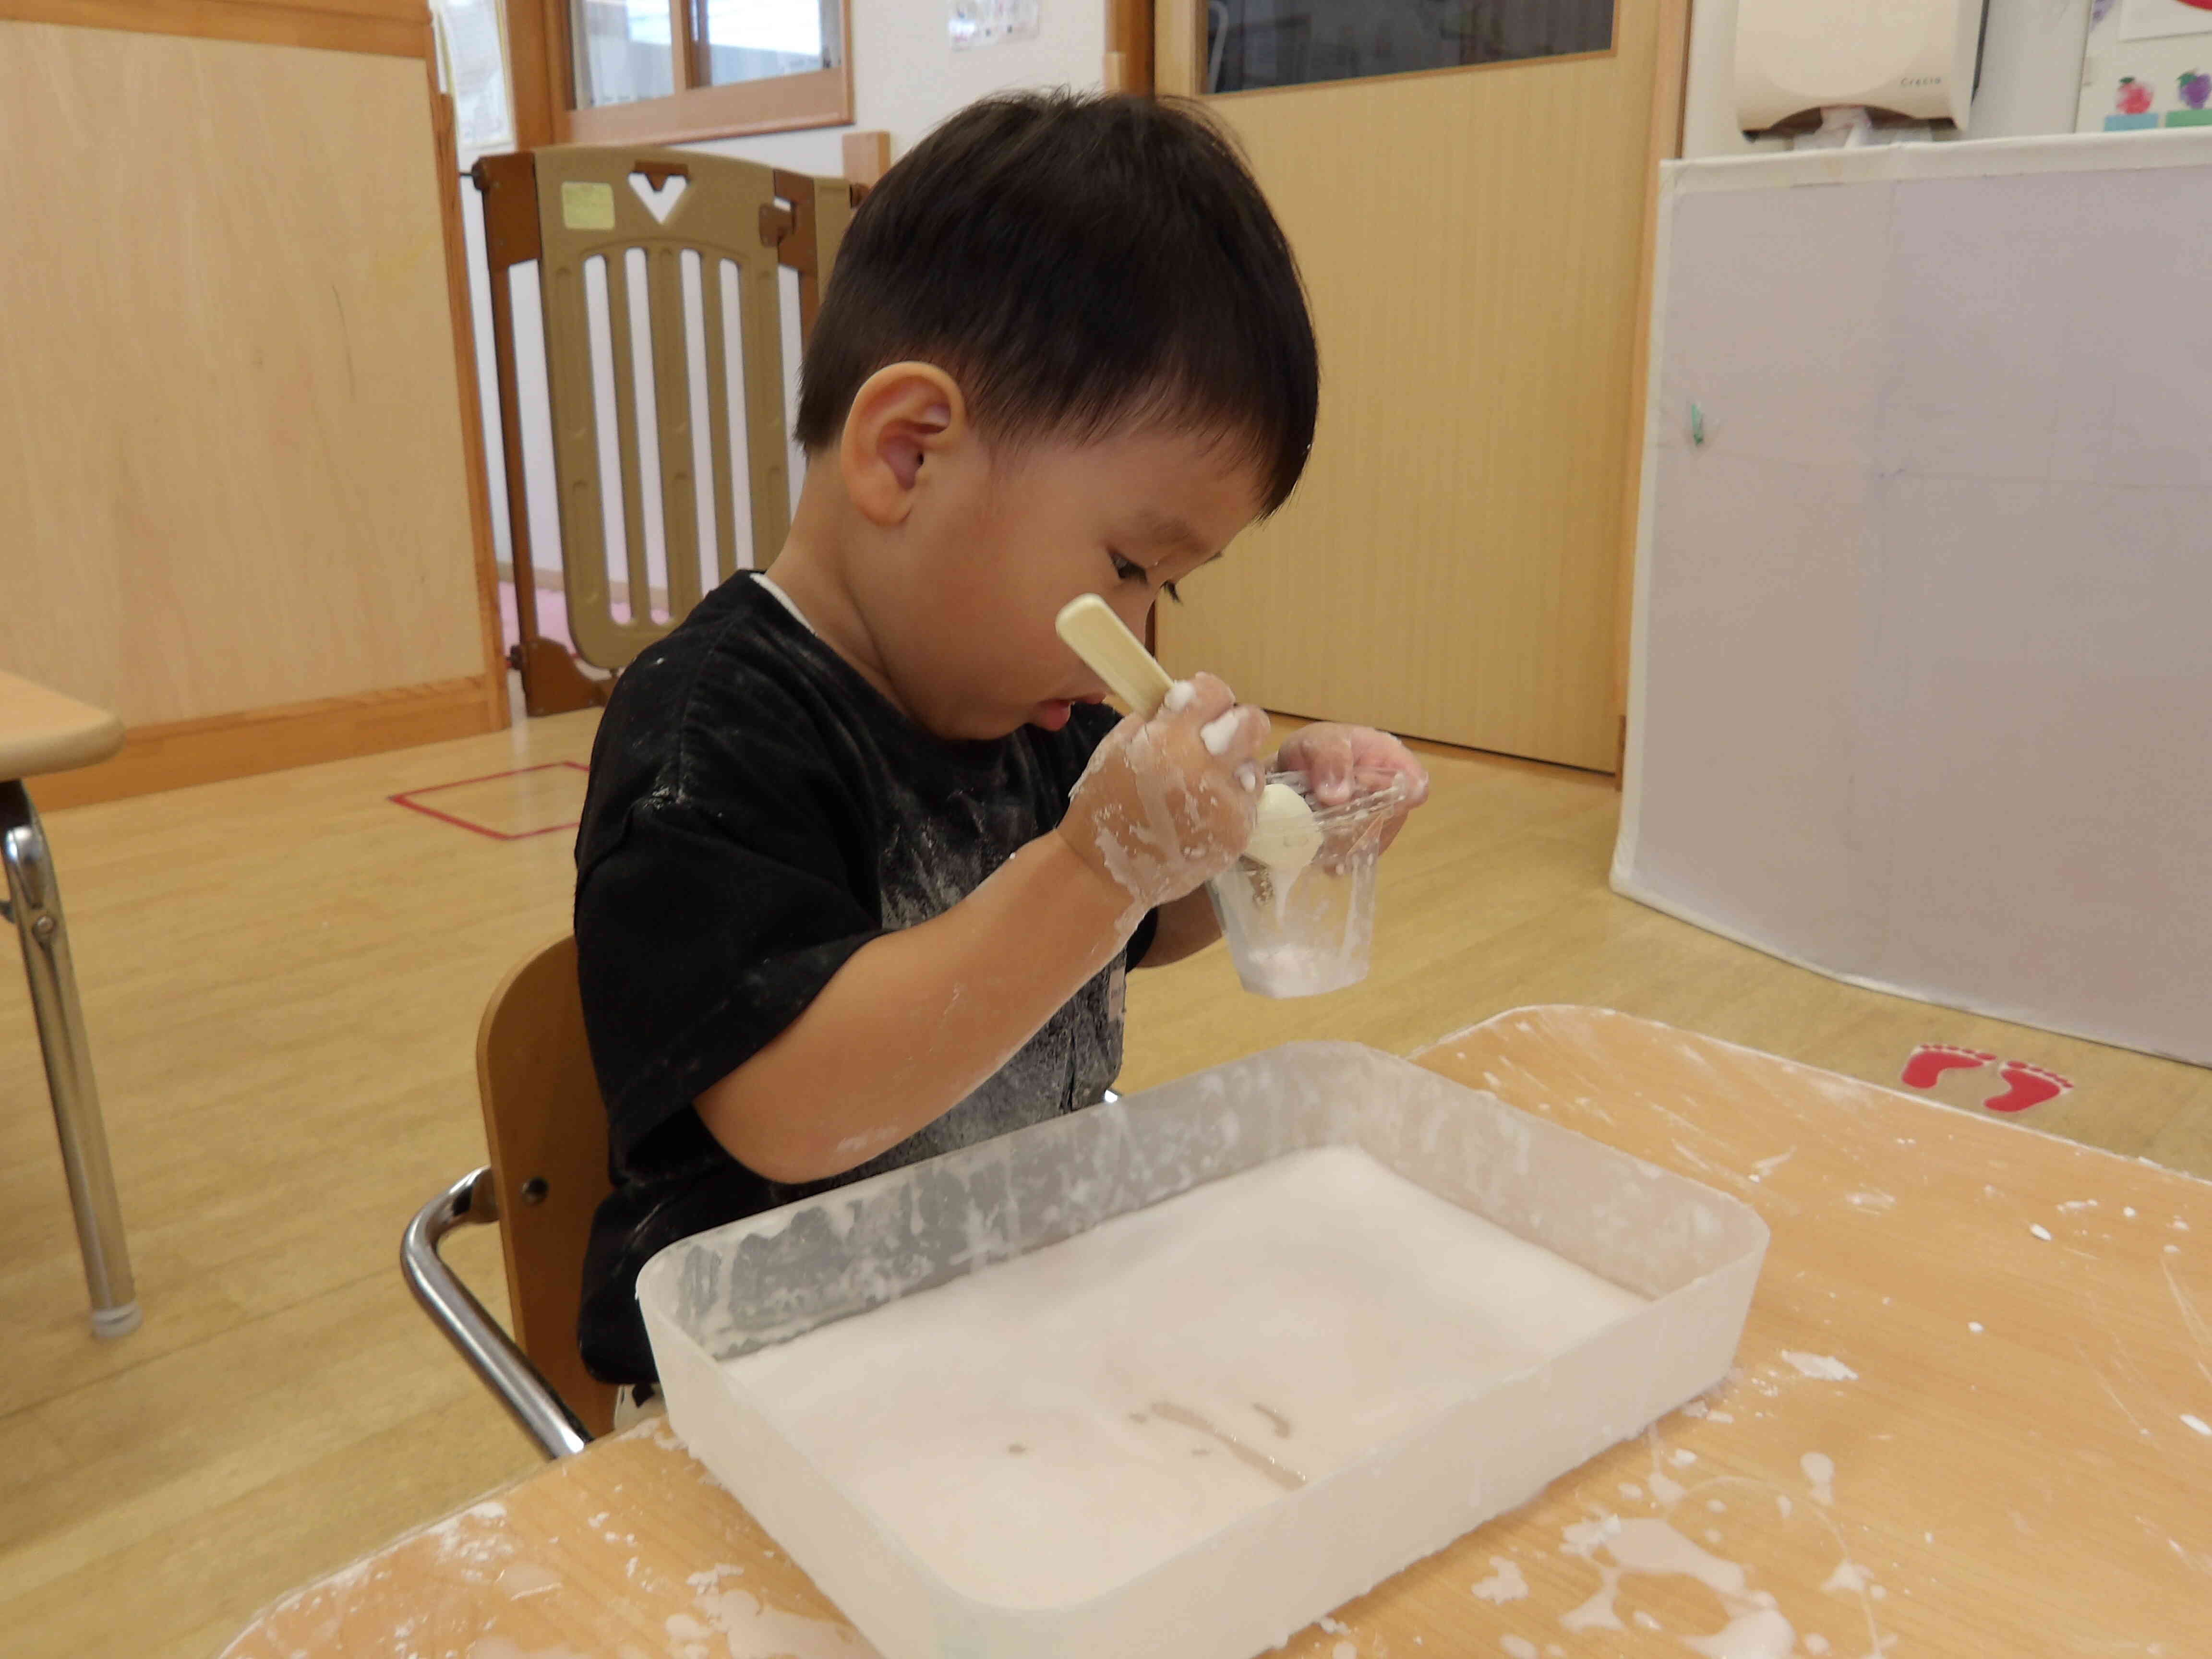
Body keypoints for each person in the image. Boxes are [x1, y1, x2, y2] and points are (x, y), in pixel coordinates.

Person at [572, 90, 1430, 1384]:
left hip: (1010, 1313)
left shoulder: (1027, 705)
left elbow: (1135, 928)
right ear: (910, 456)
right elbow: (794, 1110)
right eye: (1130, 564)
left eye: (1169, 586)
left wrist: (1262, 838)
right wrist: (1095, 864)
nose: (1140, 624)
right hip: (773, 1378)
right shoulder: (715, 731)